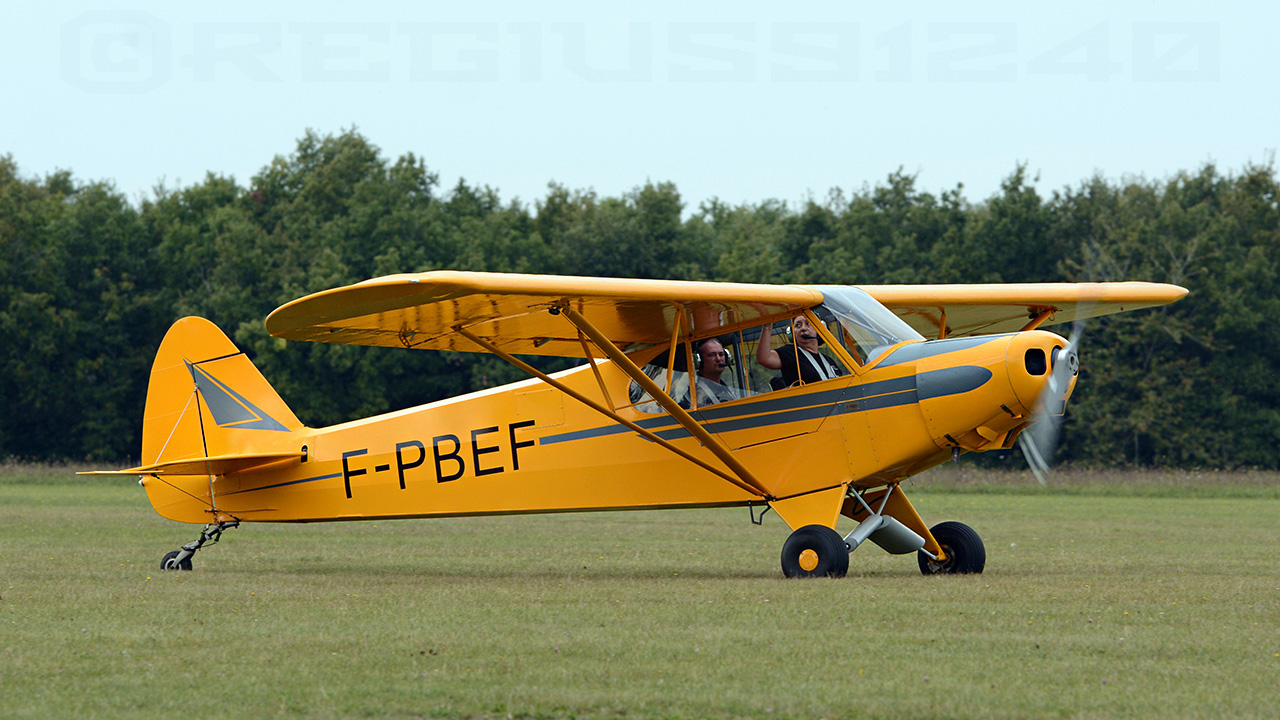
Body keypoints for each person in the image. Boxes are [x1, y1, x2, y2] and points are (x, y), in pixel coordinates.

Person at [756, 315, 845, 388]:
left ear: (820, 328)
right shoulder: (789, 352)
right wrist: (767, 326)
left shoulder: (828, 360)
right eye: (798, 325)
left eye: (808, 323)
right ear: (792, 333)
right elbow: (764, 358)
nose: (803, 328)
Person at [689, 338, 739, 407]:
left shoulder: (723, 388)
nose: (718, 359)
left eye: (721, 354)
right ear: (700, 361)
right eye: (712, 355)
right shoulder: (694, 396)